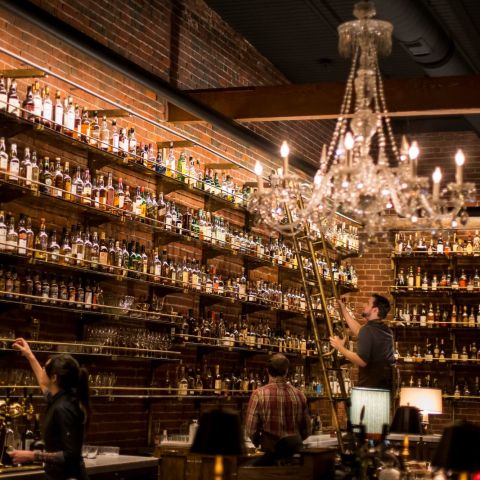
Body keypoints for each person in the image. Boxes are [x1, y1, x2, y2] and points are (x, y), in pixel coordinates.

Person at [10, 338, 90, 480]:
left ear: (54, 378)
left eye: (45, 370)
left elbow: (71, 455)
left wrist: (32, 455)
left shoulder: (63, 408)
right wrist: (29, 355)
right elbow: (43, 384)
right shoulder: (59, 398)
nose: (42, 371)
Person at [245, 353, 311, 465]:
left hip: (270, 455)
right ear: (286, 371)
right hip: (294, 456)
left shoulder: (258, 394)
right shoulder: (300, 395)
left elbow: (251, 430)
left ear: (268, 371)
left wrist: (259, 444)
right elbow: (307, 430)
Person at [329, 294, 395, 390]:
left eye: (368, 304)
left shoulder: (368, 330)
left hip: (369, 389)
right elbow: (359, 331)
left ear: (375, 310)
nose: (364, 305)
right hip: (385, 387)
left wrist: (340, 348)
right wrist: (343, 310)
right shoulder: (386, 330)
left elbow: (362, 361)